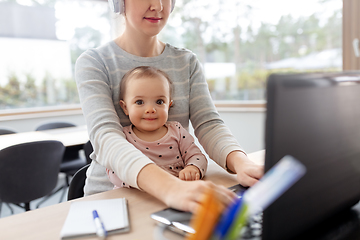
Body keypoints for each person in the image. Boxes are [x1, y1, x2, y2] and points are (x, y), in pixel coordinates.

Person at [75, 0, 263, 213]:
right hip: (113, 198)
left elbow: (208, 124)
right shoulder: (94, 62)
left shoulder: (186, 61)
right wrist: (171, 188)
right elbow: (106, 137)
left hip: (176, 195)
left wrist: (242, 164)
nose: (158, 6)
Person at [106, 66, 208, 188]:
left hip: (178, 194)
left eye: (159, 102)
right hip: (137, 197)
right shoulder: (122, 137)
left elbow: (197, 156)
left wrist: (193, 168)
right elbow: (112, 170)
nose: (150, 109)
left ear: (169, 105)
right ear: (125, 107)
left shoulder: (177, 131)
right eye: (139, 102)